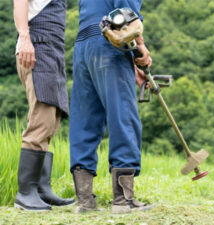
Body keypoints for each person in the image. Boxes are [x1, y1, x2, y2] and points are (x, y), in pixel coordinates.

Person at [70, 0, 154, 214]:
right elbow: (128, 18)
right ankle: (123, 201)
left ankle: (85, 201)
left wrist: (131, 64)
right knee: (123, 116)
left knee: (84, 120)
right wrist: (141, 49)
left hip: (83, 47)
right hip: (109, 46)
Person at [13, 0, 75, 211]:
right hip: (36, 46)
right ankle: (25, 193)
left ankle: (41, 189)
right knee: (42, 117)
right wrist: (24, 38)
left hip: (52, 50)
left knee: (51, 120)